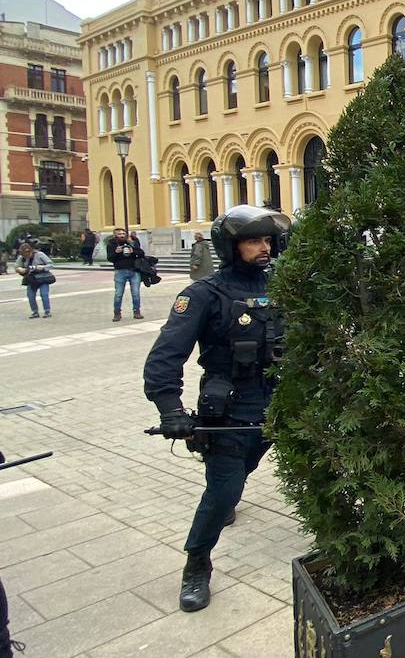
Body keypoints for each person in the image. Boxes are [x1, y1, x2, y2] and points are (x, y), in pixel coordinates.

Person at [143, 204, 291, 612]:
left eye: (267, 239)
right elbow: (165, 358)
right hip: (230, 407)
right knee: (223, 490)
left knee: (246, 469)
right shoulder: (203, 294)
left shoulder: (285, 285)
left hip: (283, 398)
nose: (264, 248)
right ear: (231, 246)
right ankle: (197, 563)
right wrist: (170, 410)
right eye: (252, 241)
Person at [107, 227, 144, 321]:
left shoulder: (131, 242)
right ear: (115, 235)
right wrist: (116, 252)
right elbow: (110, 258)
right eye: (119, 234)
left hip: (134, 271)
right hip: (120, 271)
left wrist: (133, 251)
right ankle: (117, 313)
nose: (122, 235)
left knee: (135, 293)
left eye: (123, 234)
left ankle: (137, 311)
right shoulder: (111, 245)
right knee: (118, 293)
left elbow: (141, 253)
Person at [16, 242, 54, 318]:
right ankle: (35, 312)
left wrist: (43, 267)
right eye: (24, 254)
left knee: (44, 294)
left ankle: (47, 311)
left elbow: (51, 264)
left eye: (28, 253)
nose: (27, 255)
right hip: (31, 279)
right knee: (30, 295)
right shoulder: (21, 258)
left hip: (43, 278)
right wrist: (20, 269)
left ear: (31, 250)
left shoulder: (40, 255)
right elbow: (17, 266)